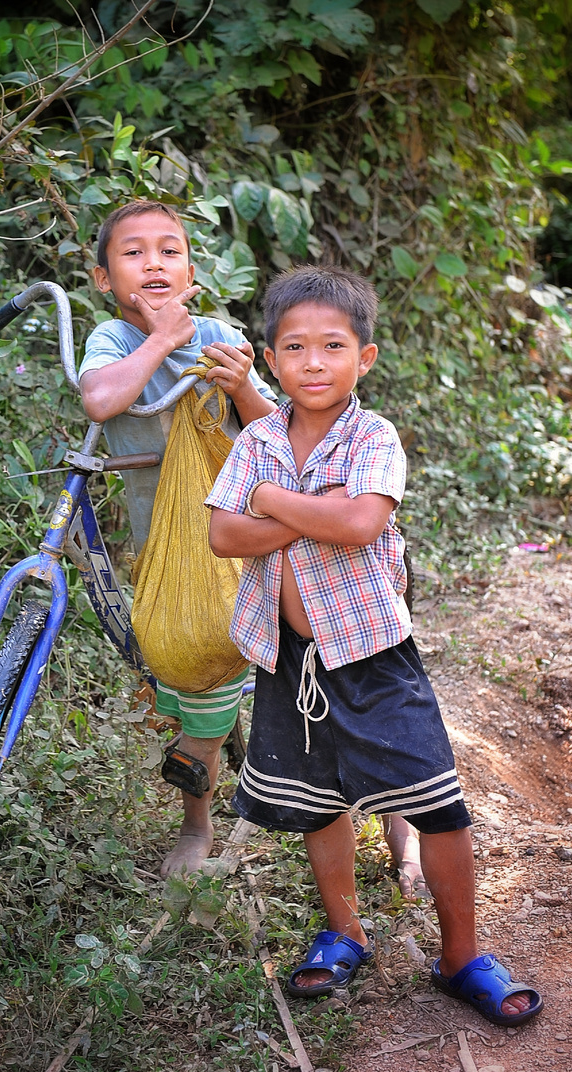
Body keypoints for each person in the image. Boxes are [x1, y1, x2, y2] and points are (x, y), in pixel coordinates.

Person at [205, 265, 543, 1027]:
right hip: (287, 661)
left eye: (333, 345)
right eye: (295, 347)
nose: (314, 362)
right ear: (270, 359)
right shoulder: (257, 438)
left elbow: (360, 525)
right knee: (319, 803)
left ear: (366, 358)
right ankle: (344, 931)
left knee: (437, 804)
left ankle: (462, 956)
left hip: (374, 653)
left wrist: (272, 503)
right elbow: (224, 534)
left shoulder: (372, 435)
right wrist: (308, 509)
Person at [78, 200, 277, 877]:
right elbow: (102, 401)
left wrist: (244, 386)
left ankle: (342, 795)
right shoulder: (111, 339)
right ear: (104, 278)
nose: (154, 262)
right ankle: (197, 826)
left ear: (191, 267)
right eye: (134, 253)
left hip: (242, 529)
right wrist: (162, 338)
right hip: (168, 552)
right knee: (194, 670)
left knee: (271, 659)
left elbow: (274, 431)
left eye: (169, 250)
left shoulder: (218, 330)